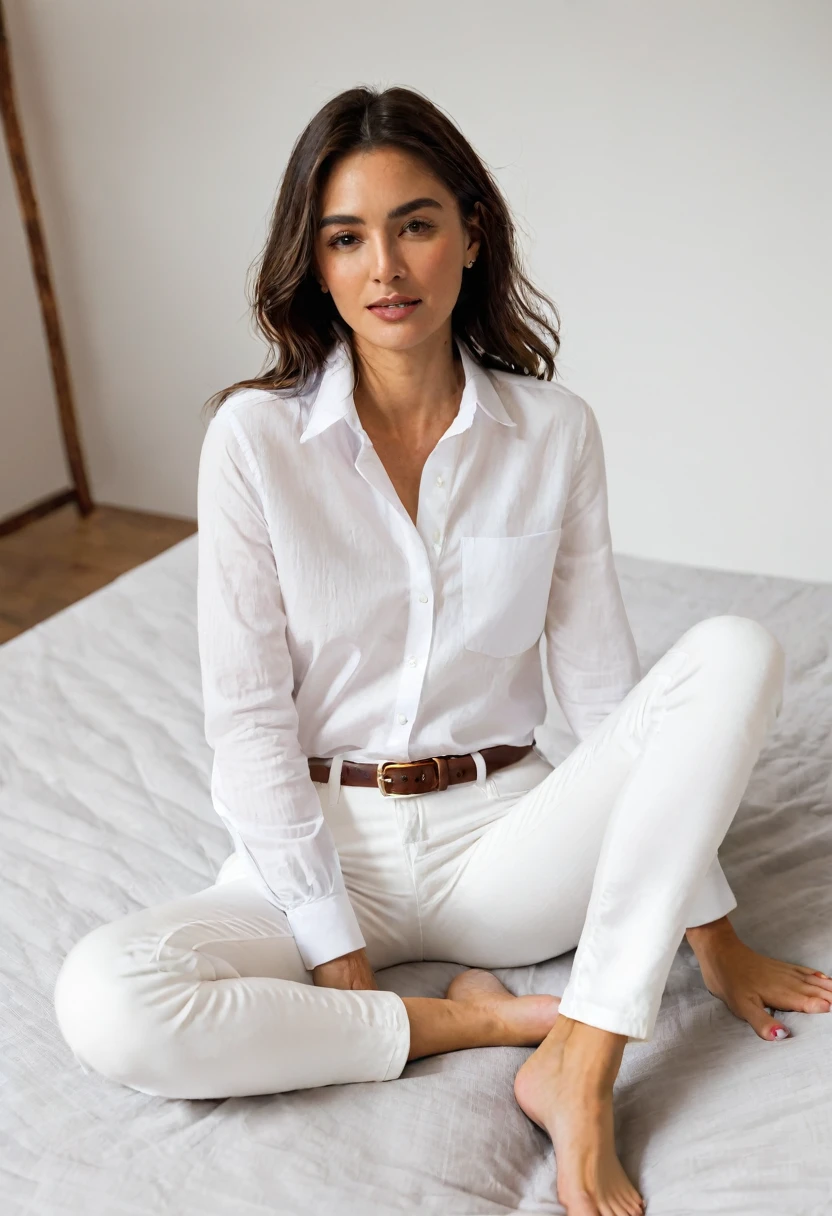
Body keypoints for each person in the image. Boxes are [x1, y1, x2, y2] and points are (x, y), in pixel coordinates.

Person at [53, 85, 832, 1216]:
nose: (386, 266)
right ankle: (483, 1021)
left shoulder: (552, 430)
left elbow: (610, 694)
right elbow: (249, 715)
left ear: (470, 231)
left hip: (509, 842)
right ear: (313, 264)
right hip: (324, 846)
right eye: (346, 236)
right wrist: (330, 946)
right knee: (105, 999)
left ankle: (581, 1058)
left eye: (415, 223)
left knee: (734, 649)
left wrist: (709, 931)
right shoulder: (253, 442)